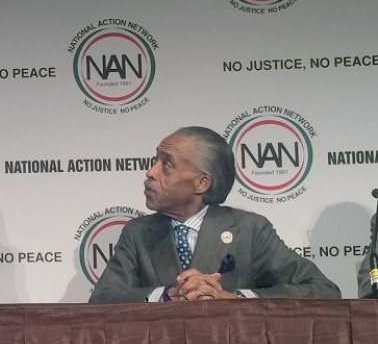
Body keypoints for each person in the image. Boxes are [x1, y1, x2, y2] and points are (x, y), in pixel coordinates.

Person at [89, 126, 340, 303]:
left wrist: (233, 298)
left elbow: (322, 290)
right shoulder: (137, 233)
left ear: (201, 184)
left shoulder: (249, 230)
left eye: (166, 164)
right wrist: (166, 294)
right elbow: (103, 297)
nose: (150, 172)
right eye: (155, 160)